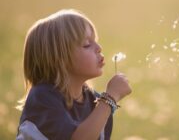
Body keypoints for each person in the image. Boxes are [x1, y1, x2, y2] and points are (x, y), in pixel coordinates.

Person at [16, 9, 132, 140]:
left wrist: (106, 103)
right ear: (59, 59)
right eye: (87, 45)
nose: (99, 47)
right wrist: (109, 99)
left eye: (95, 40)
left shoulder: (96, 101)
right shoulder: (43, 97)